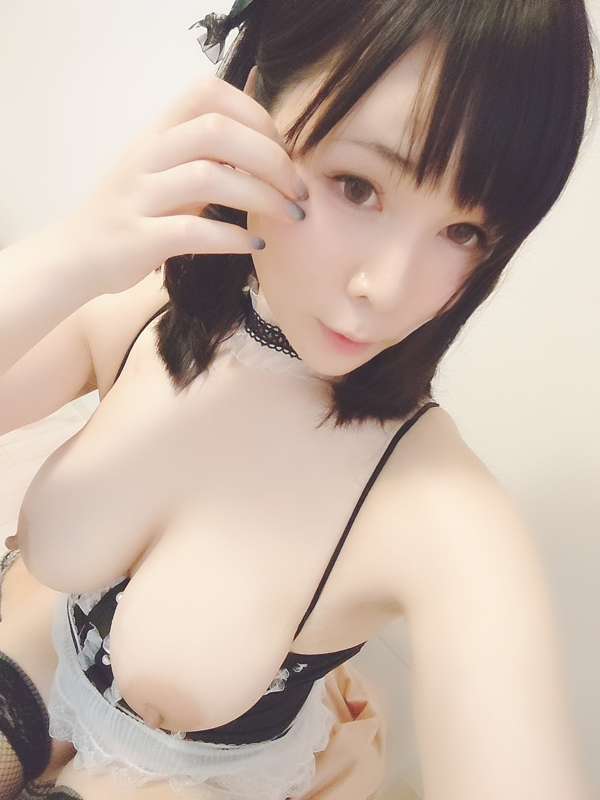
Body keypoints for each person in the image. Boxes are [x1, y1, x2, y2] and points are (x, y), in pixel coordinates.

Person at [0, 1, 596, 798]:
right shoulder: (144, 313)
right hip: (39, 662)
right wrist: (73, 252)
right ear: (251, 107)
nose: (387, 289)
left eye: (465, 232)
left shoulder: (438, 507)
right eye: (358, 185)